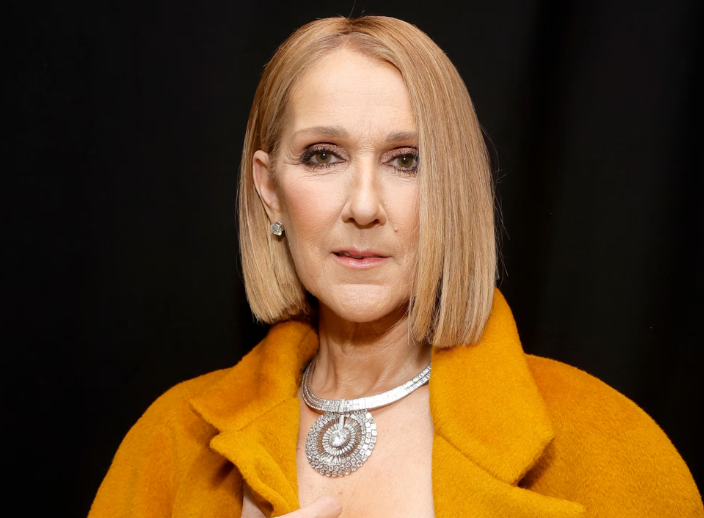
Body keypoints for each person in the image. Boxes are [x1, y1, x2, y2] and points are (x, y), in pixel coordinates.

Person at [88, 15, 703, 518]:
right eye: (323, 155)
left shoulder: (608, 443)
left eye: (406, 160)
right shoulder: (172, 441)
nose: (363, 206)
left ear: (454, 188)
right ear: (269, 189)